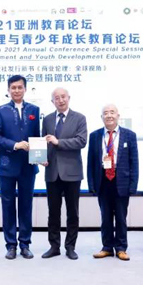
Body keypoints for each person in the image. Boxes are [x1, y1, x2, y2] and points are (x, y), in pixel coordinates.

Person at [0, 75, 40, 260]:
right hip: (7, 165)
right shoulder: (0, 110)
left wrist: (40, 156)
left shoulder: (34, 110)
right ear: (8, 90)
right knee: (8, 205)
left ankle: (25, 244)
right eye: (13, 87)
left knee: (26, 205)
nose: (17, 90)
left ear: (25, 89)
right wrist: (14, 145)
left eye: (20, 87)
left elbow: (37, 137)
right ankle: (10, 245)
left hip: (28, 166)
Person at [87, 104, 139, 261]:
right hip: (103, 180)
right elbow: (91, 162)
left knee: (121, 217)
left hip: (121, 181)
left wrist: (133, 185)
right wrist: (91, 185)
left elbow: (134, 162)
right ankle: (107, 247)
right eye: (105, 113)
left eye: (112, 112)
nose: (109, 115)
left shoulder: (129, 135)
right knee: (106, 217)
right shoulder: (95, 136)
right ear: (101, 117)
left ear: (118, 116)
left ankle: (121, 248)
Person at [40, 88, 87, 260]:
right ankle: (54, 246)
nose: (60, 100)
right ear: (52, 101)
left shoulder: (79, 118)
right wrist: (41, 157)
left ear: (69, 98)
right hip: (52, 171)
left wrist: (58, 142)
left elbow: (81, 141)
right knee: (53, 212)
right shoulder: (47, 119)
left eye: (63, 97)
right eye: (56, 98)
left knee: (72, 212)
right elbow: (43, 142)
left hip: (72, 172)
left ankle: (70, 247)